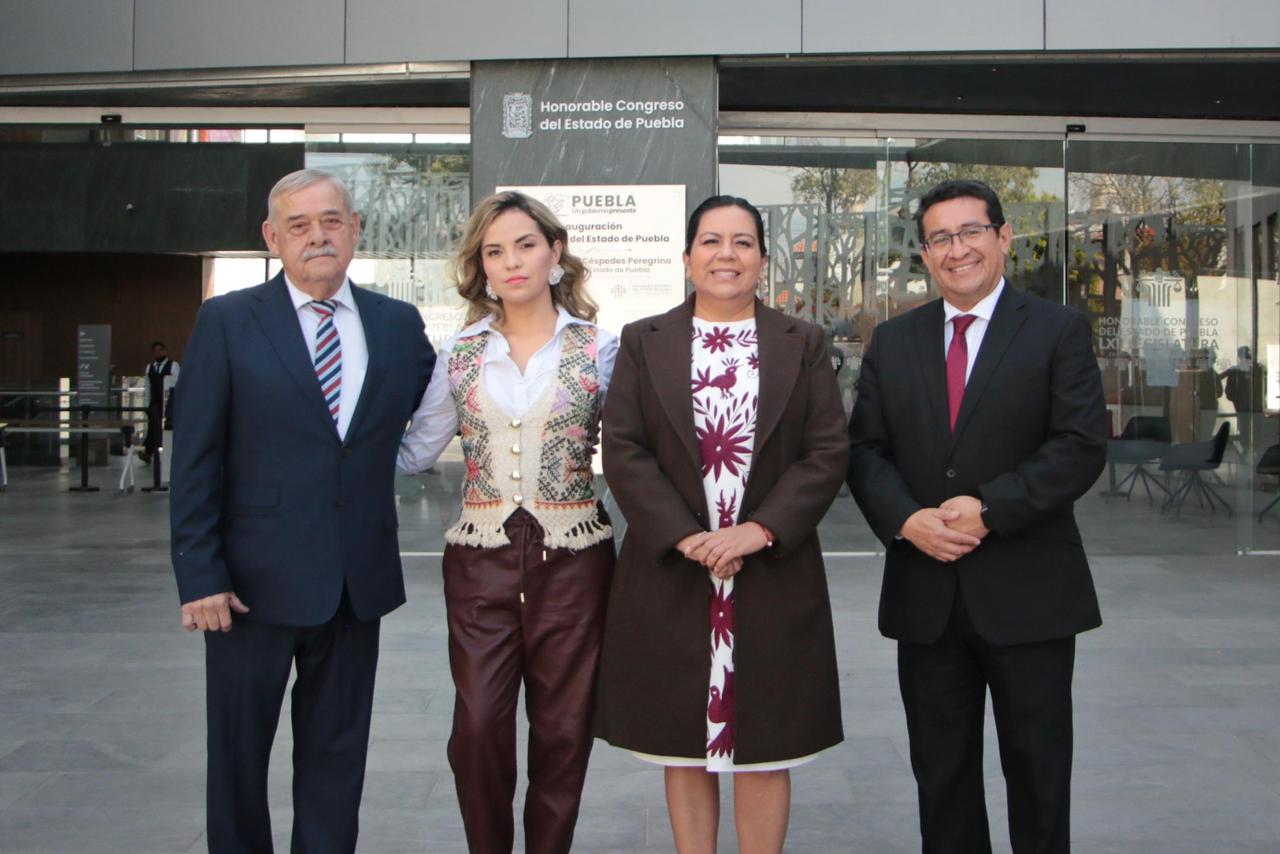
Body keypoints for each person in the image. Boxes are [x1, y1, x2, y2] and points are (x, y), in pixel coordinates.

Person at [170, 169, 436, 853]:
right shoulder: (228, 321)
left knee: (336, 762)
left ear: (354, 229)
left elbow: (441, 405)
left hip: (354, 585)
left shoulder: (397, 324)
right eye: (299, 225)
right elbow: (195, 457)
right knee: (237, 760)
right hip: (246, 589)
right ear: (272, 237)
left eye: (331, 221)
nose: (317, 236)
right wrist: (200, 575)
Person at [847, 179, 1108, 854]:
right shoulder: (893, 341)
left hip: (1030, 595)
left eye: (971, 232)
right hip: (926, 596)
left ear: (1003, 237)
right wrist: (907, 520)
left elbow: (1080, 445)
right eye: (940, 238)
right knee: (942, 781)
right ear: (924, 253)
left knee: (1039, 776)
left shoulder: (1057, 330)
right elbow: (865, 450)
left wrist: (992, 508)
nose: (957, 249)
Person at [596, 195, 848, 854]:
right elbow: (623, 448)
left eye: (742, 242)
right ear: (687, 258)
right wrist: (687, 537)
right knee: (682, 744)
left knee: (767, 746)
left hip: (771, 569)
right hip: (675, 571)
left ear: (762, 259)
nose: (726, 255)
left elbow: (826, 451)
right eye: (711, 241)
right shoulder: (644, 340)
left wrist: (758, 531)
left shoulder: (803, 342)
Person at [398, 190, 617, 854]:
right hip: (479, 559)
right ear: (482, 267)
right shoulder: (460, 352)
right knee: (477, 729)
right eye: (495, 252)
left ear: (555, 253)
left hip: (575, 560)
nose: (512, 262)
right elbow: (416, 452)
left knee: (564, 731)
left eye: (525, 245)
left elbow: (639, 446)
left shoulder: (602, 349)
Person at [139, 340, 178, 464]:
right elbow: (147, 387)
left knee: (164, 428)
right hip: (154, 402)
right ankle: (150, 451)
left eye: (160, 350)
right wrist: (146, 404)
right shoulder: (150, 368)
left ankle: (151, 451)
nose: (158, 353)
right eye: (155, 351)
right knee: (152, 427)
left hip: (167, 403)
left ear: (165, 351)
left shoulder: (173, 366)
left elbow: (177, 384)